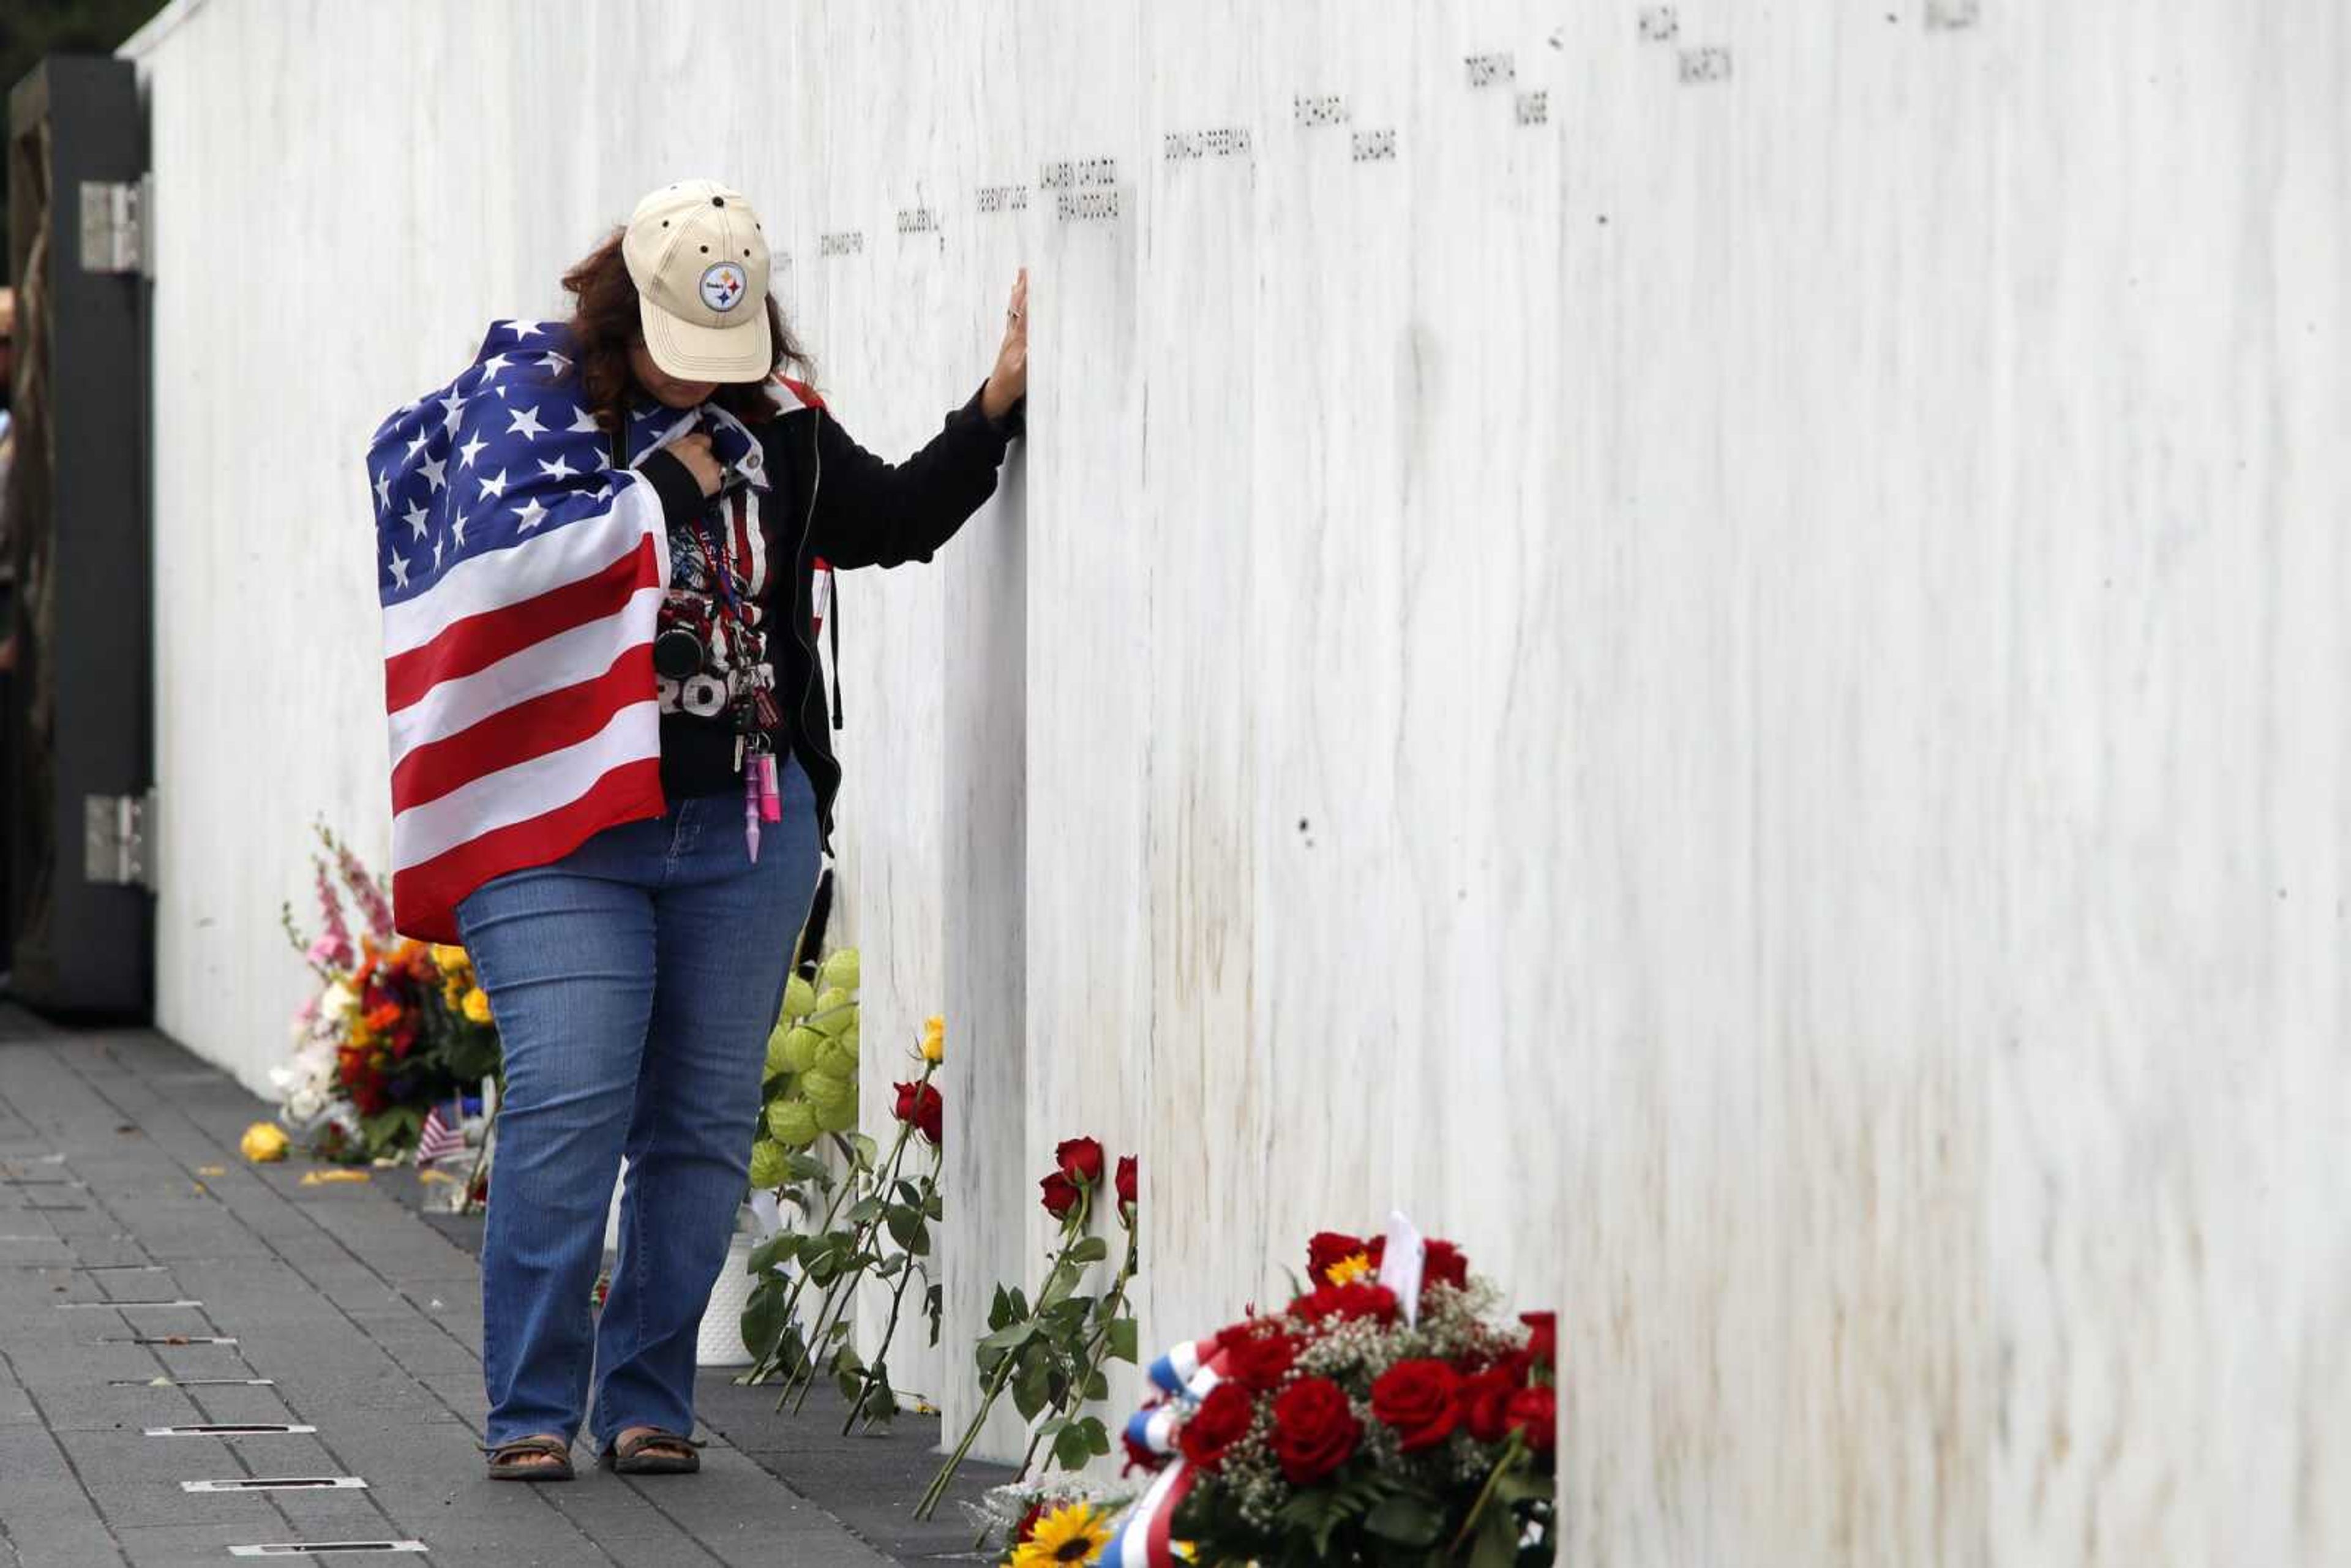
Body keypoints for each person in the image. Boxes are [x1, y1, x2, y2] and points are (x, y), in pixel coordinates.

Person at [366, 179, 1026, 1480]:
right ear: (623, 316)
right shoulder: (529, 413)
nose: (702, 389)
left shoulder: (777, 427)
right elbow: (501, 586)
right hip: (555, 829)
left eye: (732, 357)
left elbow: (888, 522)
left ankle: (651, 1401)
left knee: (705, 1123)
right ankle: (533, 1412)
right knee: (572, 1099)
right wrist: (660, 491)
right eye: (679, 360)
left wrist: (994, 406)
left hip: (741, 821)